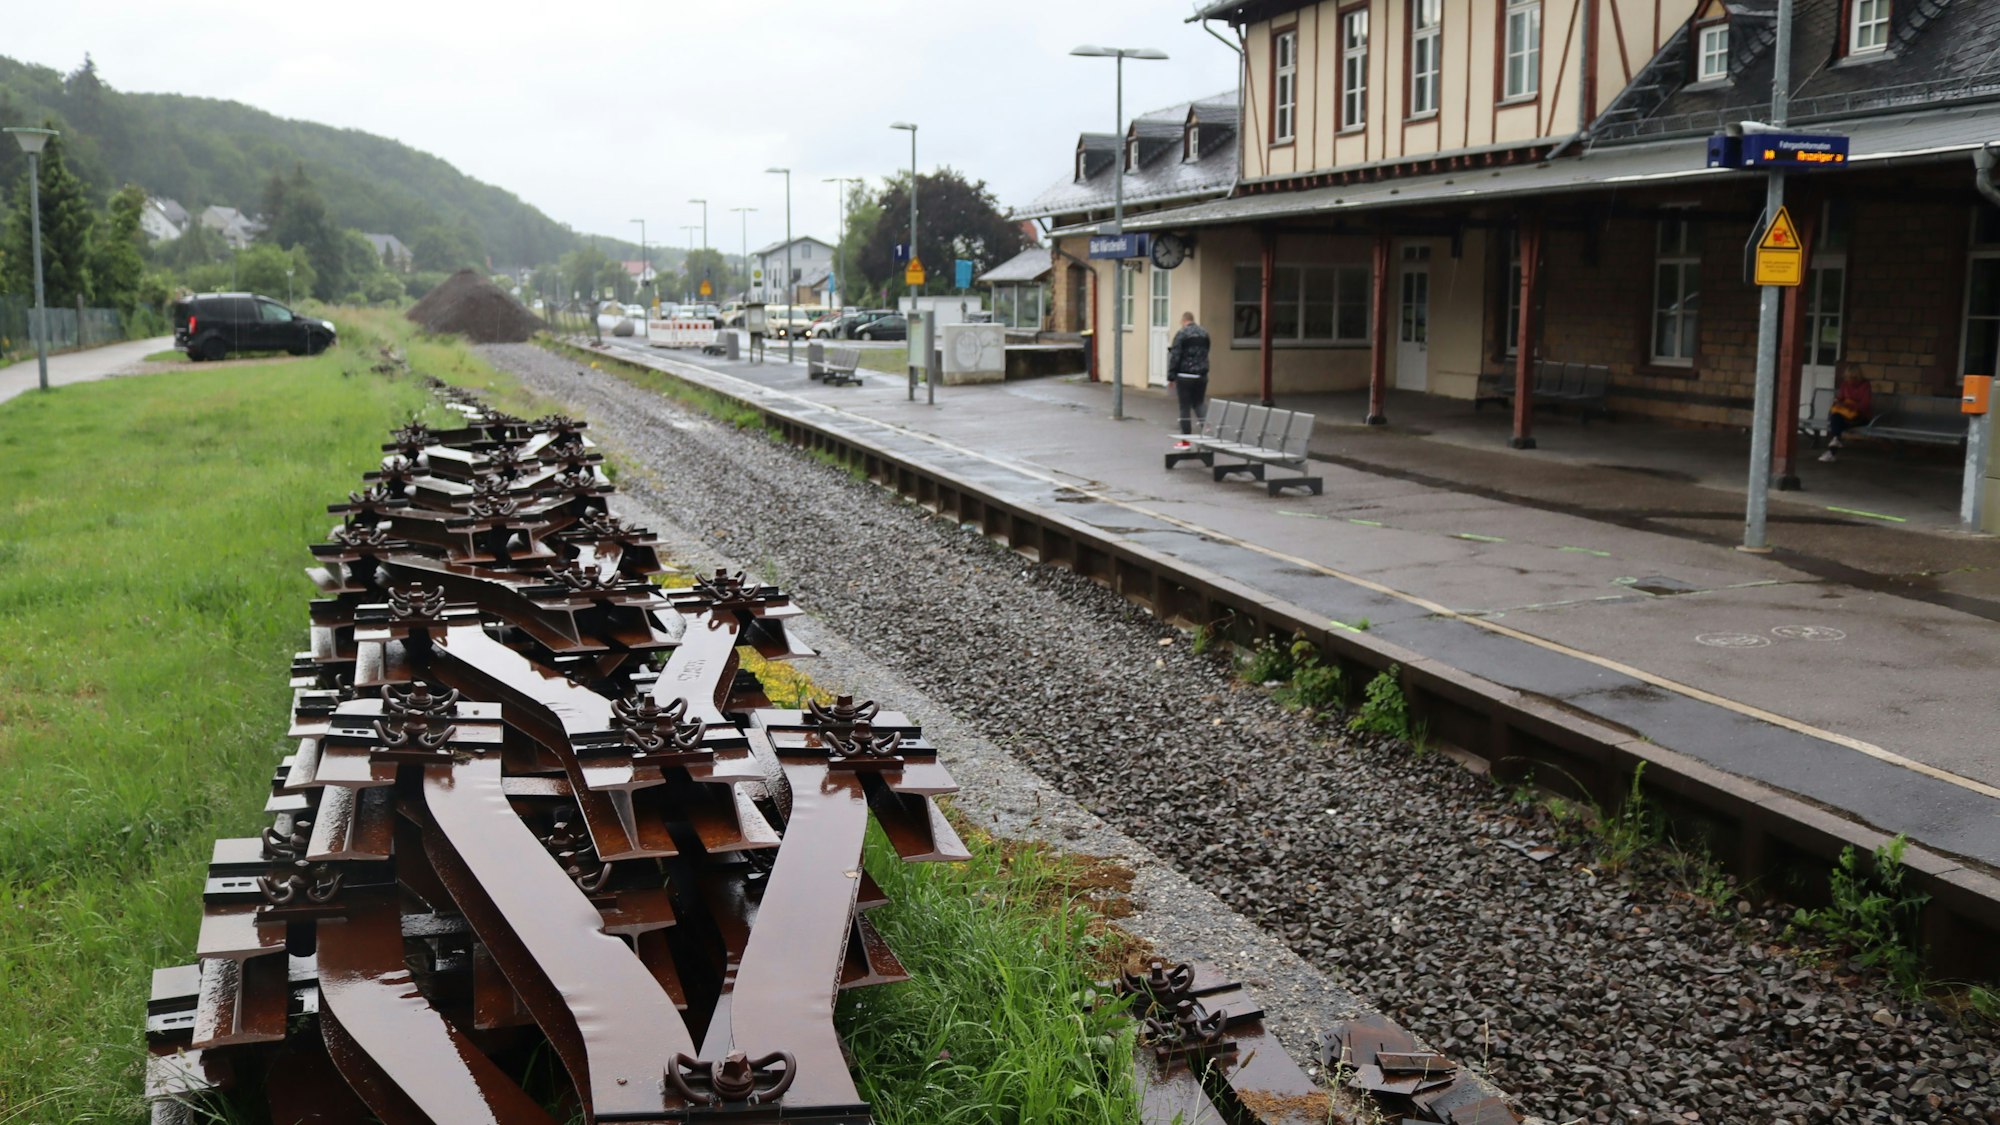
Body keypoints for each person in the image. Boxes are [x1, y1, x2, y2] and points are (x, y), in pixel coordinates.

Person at [1166, 311, 1211, 448]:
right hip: (1201, 375)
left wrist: (1171, 376)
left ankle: (1185, 440)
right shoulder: (1204, 333)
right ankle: (1207, 428)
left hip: (1185, 376)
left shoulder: (1182, 334)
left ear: (1183, 321)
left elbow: (1175, 355)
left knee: (1184, 407)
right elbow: (1207, 351)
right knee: (1199, 403)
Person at [1819, 372, 1873, 463]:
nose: (1850, 381)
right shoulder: (1845, 384)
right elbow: (1840, 397)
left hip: (1861, 416)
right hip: (1847, 415)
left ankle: (1831, 452)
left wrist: (1848, 405)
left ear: (1858, 377)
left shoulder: (1865, 386)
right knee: (1835, 417)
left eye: (1852, 378)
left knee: (1836, 426)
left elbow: (1865, 405)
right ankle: (1834, 444)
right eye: (1847, 378)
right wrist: (1838, 401)